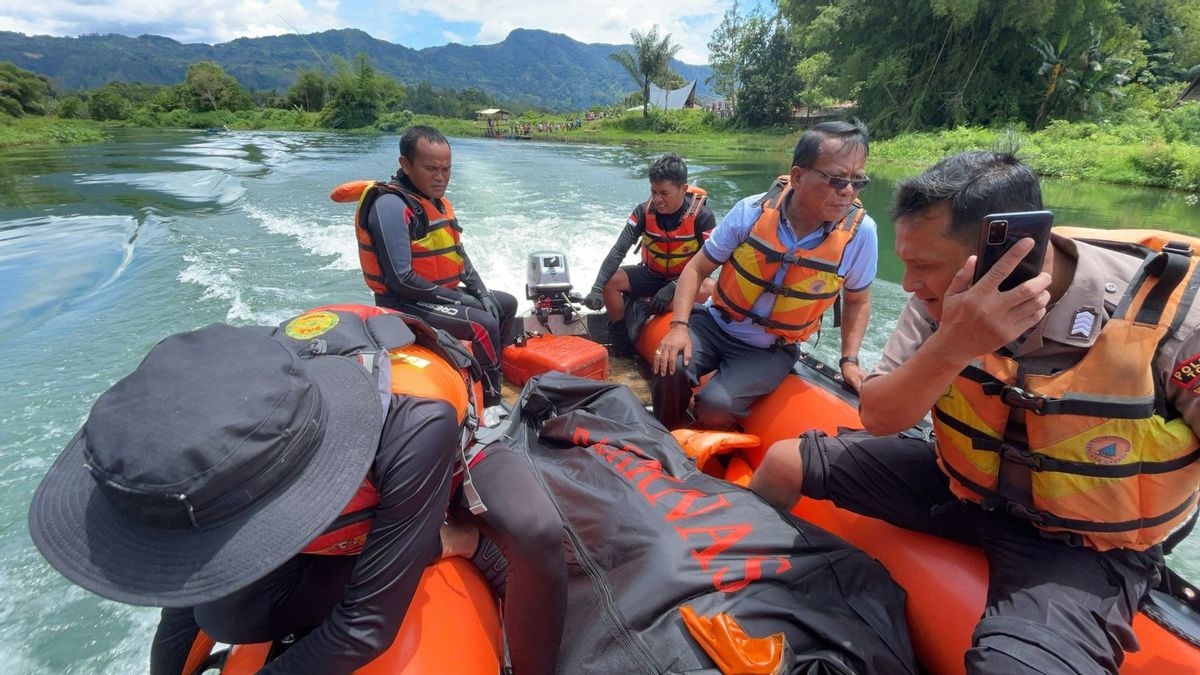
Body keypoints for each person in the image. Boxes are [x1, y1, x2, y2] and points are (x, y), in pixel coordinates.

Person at [749, 151, 1200, 673]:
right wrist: (954, 344)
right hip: (960, 487)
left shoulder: (1177, 315)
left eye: (922, 267)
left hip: (1083, 545)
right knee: (785, 462)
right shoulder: (936, 302)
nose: (910, 283)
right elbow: (879, 416)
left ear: (1005, 256)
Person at [28, 307, 566, 675]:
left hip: (433, 424)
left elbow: (366, 626)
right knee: (224, 615)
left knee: (533, 533)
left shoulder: (413, 428)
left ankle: (464, 547)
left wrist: (451, 540)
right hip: (319, 399)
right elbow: (182, 604)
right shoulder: (221, 443)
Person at [651, 121, 878, 430]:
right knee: (669, 365)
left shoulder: (861, 234)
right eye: (836, 180)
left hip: (771, 349)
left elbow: (858, 300)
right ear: (797, 176)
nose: (847, 192)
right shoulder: (751, 211)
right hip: (715, 324)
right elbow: (696, 268)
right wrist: (678, 327)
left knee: (718, 405)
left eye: (857, 181)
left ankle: (705, 432)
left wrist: (849, 361)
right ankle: (667, 433)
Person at [354, 125, 518, 407]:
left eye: (446, 169)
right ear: (405, 164)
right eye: (431, 169)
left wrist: (481, 293)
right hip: (403, 302)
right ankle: (491, 402)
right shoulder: (391, 206)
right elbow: (401, 279)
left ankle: (487, 370)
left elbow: (458, 256)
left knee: (505, 304)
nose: (441, 177)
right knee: (483, 324)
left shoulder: (437, 203)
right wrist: (460, 298)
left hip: (437, 294)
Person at [582, 153, 717, 354]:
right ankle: (620, 333)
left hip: (683, 279)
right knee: (610, 281)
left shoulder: (703, 217)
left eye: (664, 193)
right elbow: (619, 250)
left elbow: (710, 263)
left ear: (683, 189)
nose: (657, 199)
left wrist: (673, 287)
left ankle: (647, 308)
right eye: (653, 192)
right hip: (650, 274)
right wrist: (596, 287)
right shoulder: (643, 212)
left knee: (710, 288)